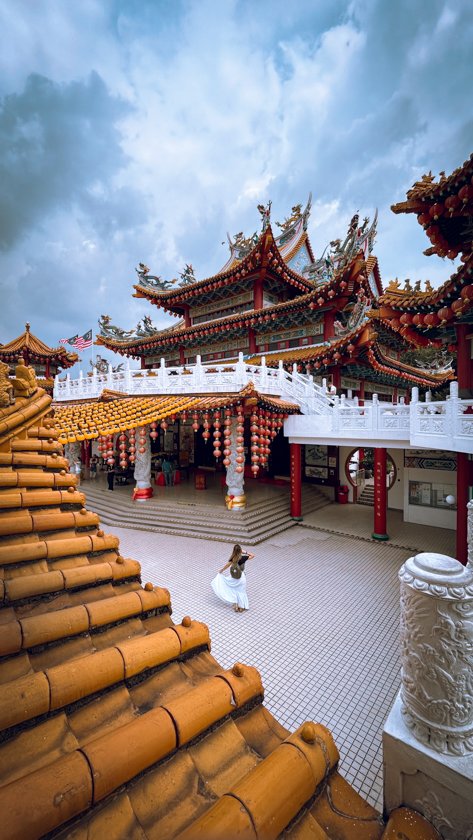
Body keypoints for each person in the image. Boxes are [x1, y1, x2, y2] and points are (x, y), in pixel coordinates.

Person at [211, 544, 255, 613]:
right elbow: (253, 555)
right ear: (240, 550)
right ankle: (241, 607)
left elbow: (227, 566)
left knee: (234, 590)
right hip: (241, 578)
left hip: (234, 577)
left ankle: (236, 606)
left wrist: (221, 570)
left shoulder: (232, 558)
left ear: (234, 551)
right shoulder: (243, 558)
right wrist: (245, 552)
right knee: (241, 591)